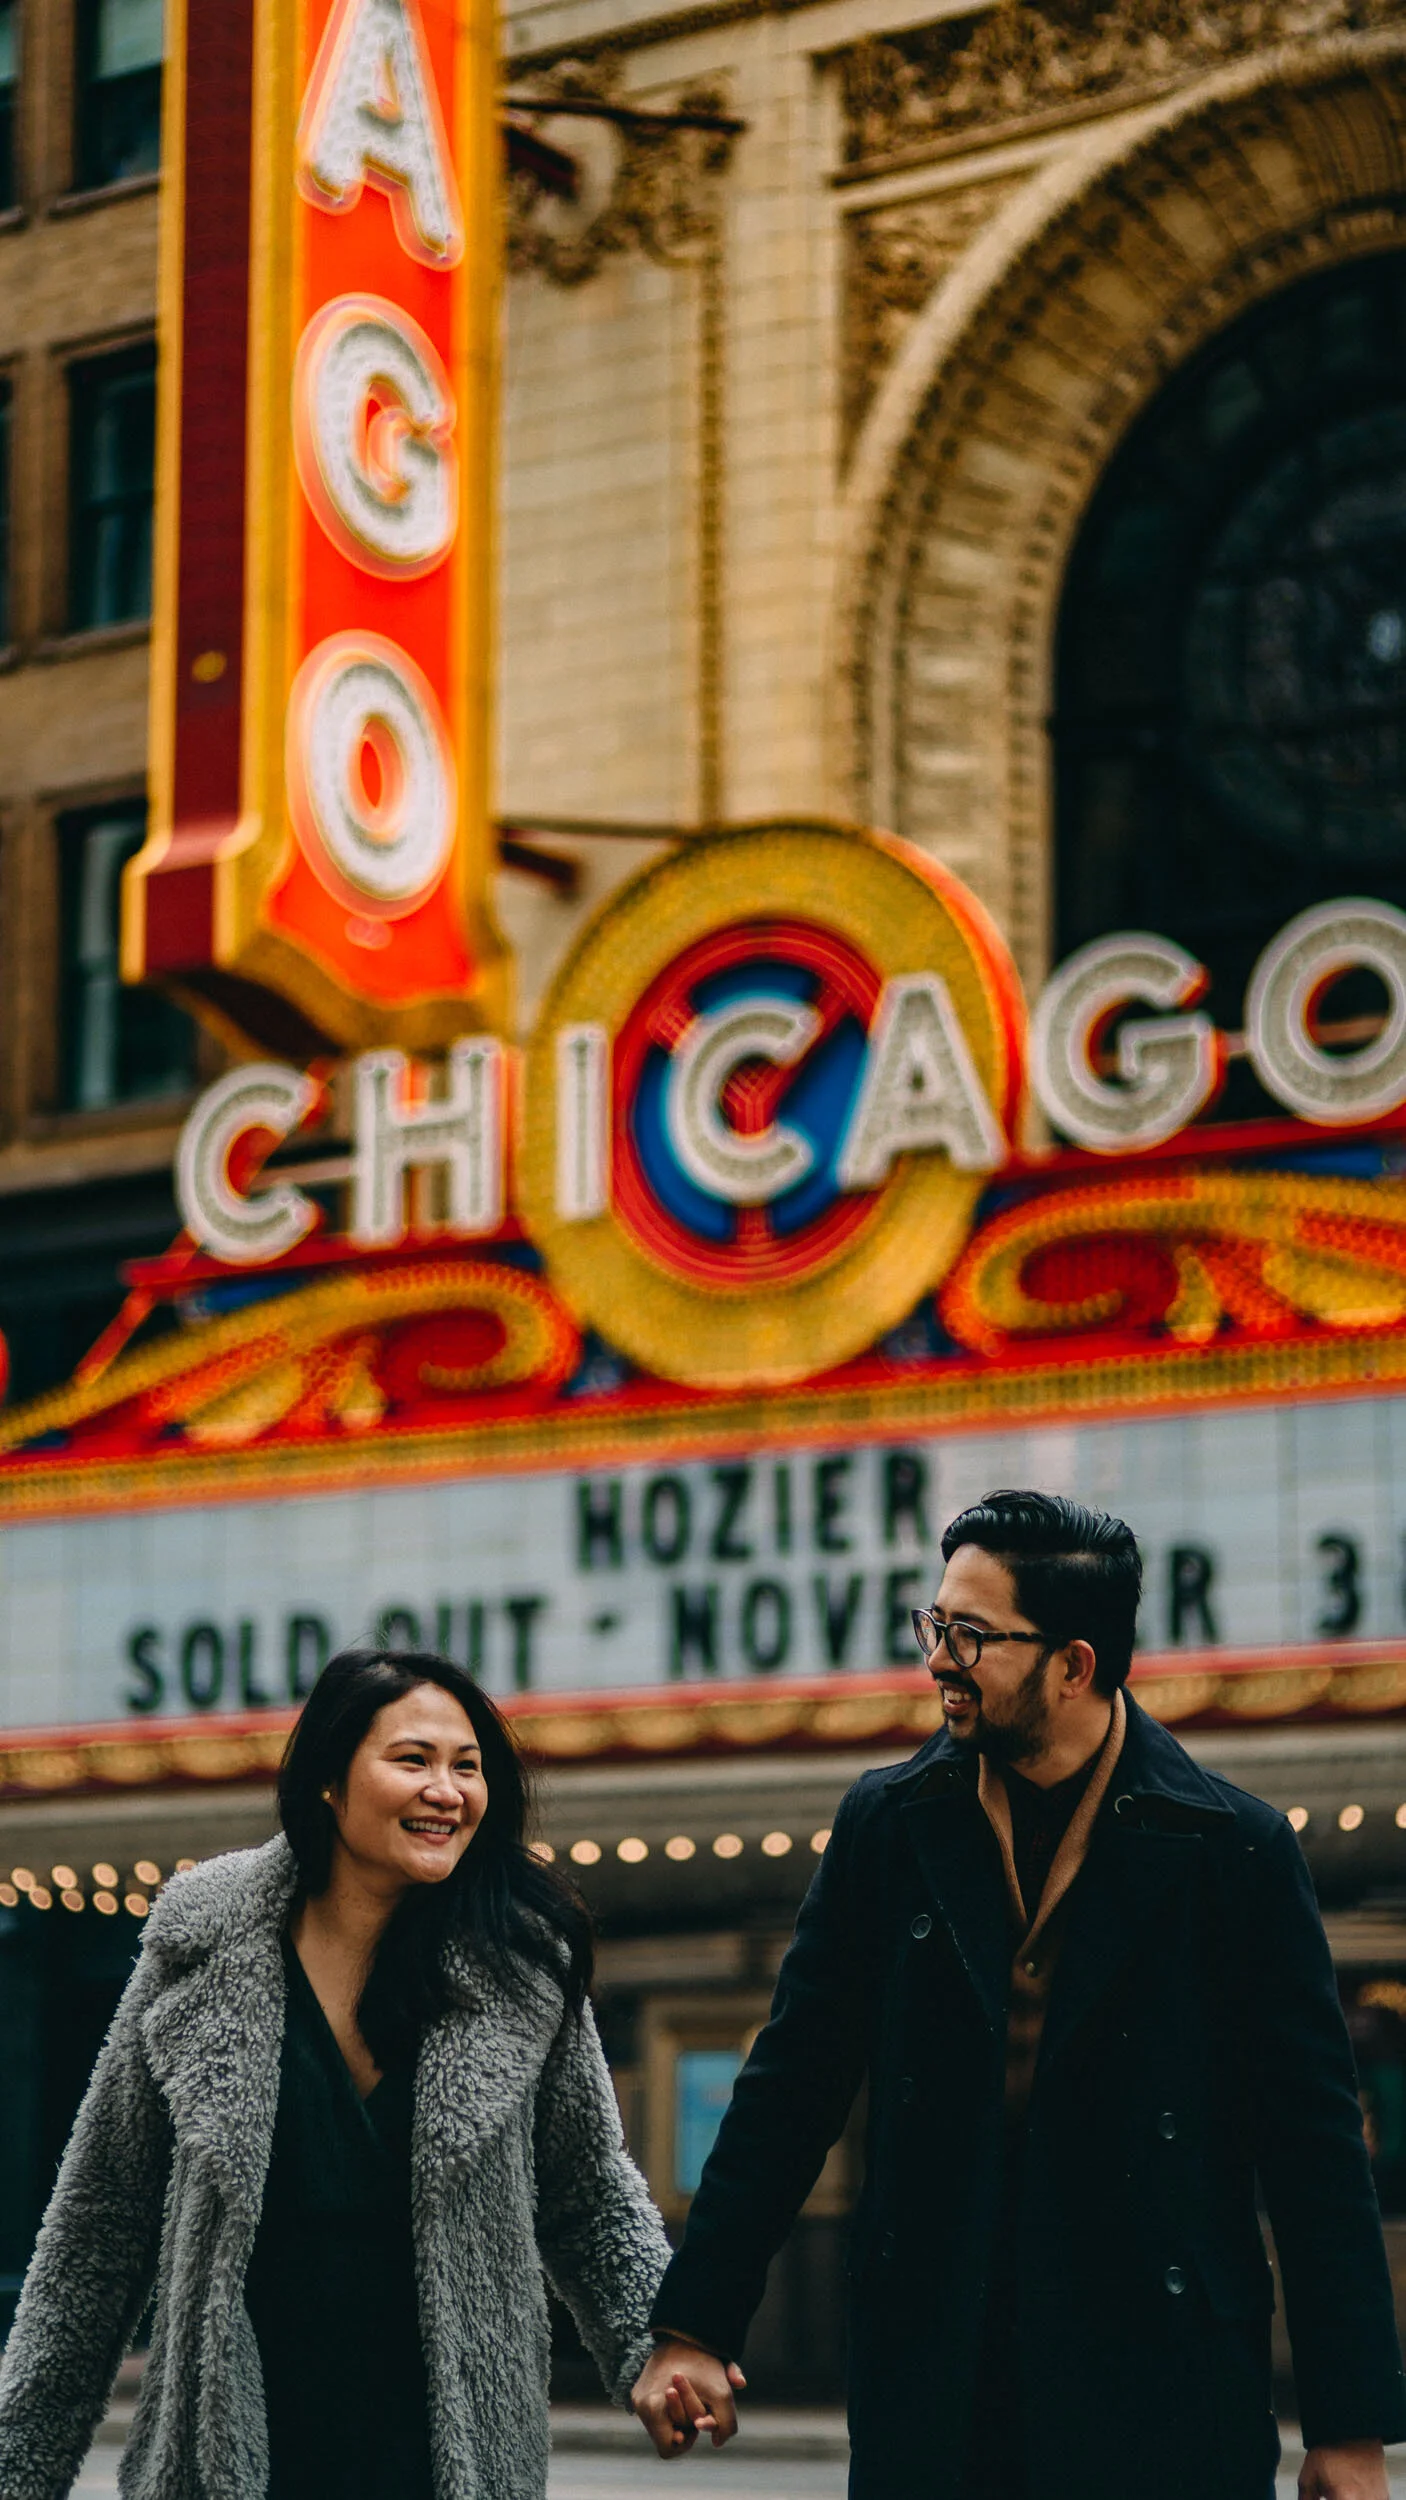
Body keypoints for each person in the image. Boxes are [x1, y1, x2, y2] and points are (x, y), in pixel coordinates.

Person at [633, 1490, 1406, 2500]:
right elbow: (789, 2087)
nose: (936, 1658)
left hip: (1163, 2380)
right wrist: (694, 2325)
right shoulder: (887, 1823)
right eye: (934, 1623)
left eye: (970, 1634)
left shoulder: (1233, 1848)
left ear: (1073, 1664)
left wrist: (1348, 2427)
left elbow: (1312, 2150)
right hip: (938, 2374)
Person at [0, 1647, 671, 2500]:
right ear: (327, 1779)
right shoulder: (199, 1948)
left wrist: (661, 2347)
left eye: (467, 1766)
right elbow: (99, 2226)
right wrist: (19, 2467)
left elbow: (590, 2194)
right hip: (230, 2457)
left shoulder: (522, 1963)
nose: (447, 1791)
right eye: (413, 1760)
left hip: (448, 2461)